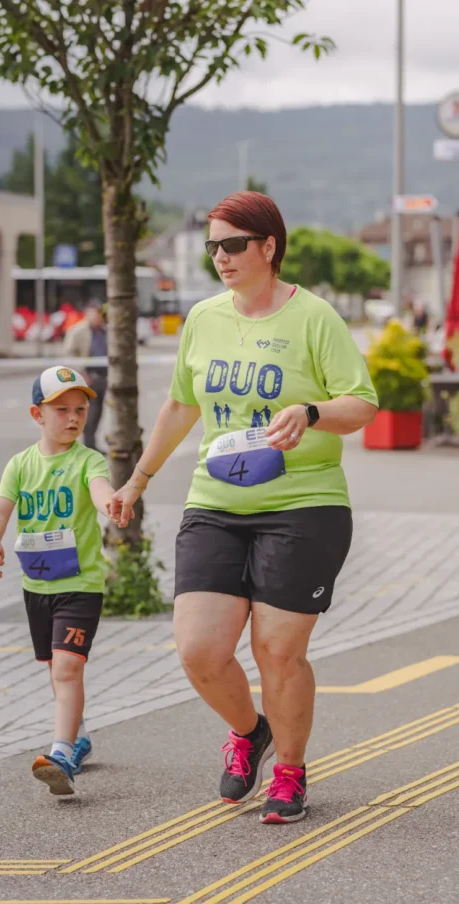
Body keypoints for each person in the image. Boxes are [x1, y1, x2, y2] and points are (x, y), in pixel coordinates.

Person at [109, 191, 378, 825]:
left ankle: (289, 770)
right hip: (217, 502)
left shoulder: (314, 318)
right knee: (199, 650)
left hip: (303, 503)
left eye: (233, 245)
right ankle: (248, 730)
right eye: (213, 247)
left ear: (269, 247)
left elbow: (361, 404)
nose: (221, 257)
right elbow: (181, 405)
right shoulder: (203, 319)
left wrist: (310, 412)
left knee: (276, 649)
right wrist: (136, 481)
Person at [0, 365, 129, 797]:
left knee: (68, 667)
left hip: (80, 586)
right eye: (61, 409)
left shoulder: (88, 459)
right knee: (56, 669)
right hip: (37, 586)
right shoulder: (21, 465)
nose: (72, 418)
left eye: (80, 409)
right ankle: (79, 735)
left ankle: (62, 752)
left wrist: (111, 505)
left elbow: (101, 489)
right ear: (36, 415)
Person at [63, 302, 108, 450]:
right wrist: (81, 373)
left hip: (103, 376)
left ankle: (91, 443)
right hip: (87, 377)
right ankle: (88, 446)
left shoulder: (104, 331)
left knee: (98, 412)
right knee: (90, 412)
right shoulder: (78, 331)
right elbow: (69, 355)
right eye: (95, 314)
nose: (98, 318)